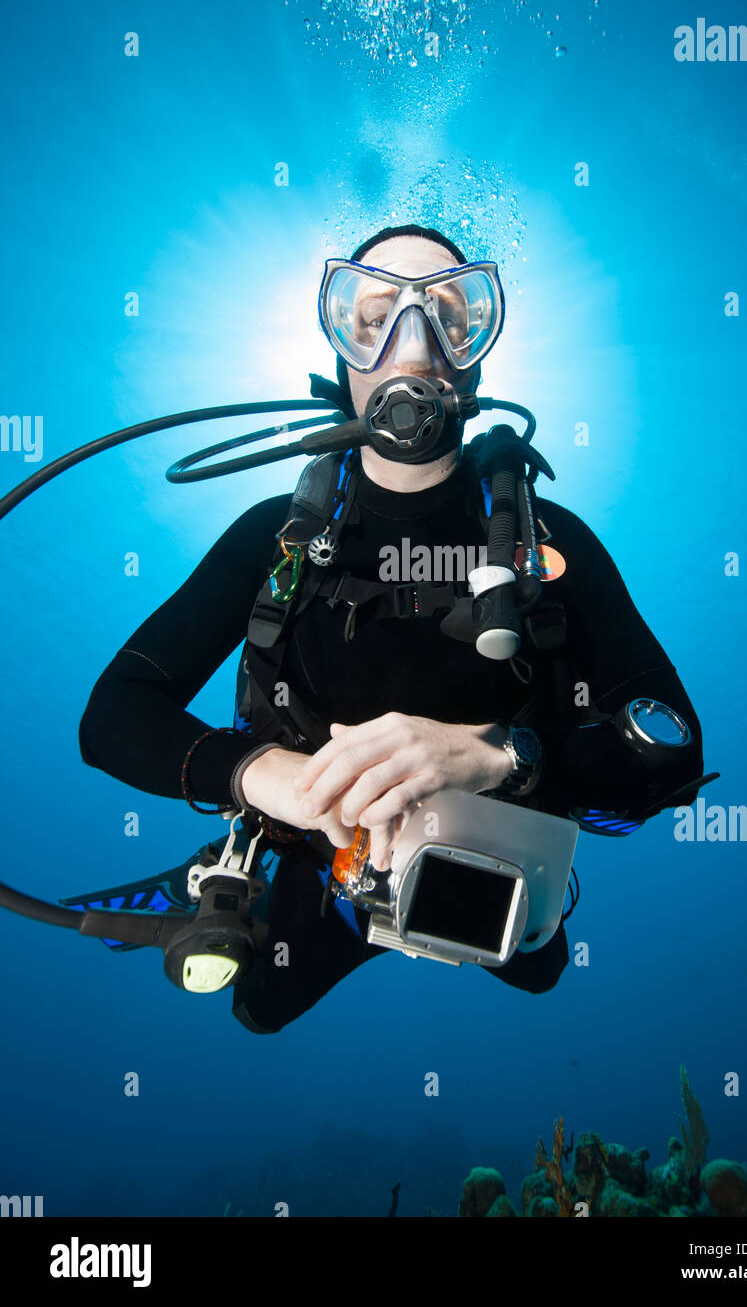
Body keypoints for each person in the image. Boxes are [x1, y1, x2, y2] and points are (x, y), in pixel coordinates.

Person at [78, 222, 707, 1033]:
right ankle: (323, 903)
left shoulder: (552, 547)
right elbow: (114, 714)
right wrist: (264, 776)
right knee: (258, 1005)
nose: (413, 344)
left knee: (537, 968)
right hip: (323, 859)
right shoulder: (276, 539)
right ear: (341, 349)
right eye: (373, 317)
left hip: (495, 853)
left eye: (450, 315)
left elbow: (678, 751)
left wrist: (498, 754)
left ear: (477, 351)